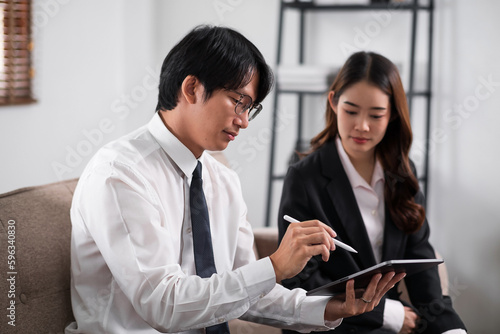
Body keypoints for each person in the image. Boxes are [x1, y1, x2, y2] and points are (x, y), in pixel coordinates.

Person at [65, 27, 404, 334]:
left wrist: (331, 308)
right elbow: (163, 304)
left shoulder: (222, 180)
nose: (243, 122)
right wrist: (273, 266)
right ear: (192, 87)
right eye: (238, 101)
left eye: (250, 108)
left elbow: (251, 293)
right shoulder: (120, 173)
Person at [277, 51, 467, 334]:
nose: (361, 126)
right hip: (329, 326)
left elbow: (420, 265)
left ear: (391, 115)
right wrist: (385, 314)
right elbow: (300, 282)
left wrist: (449, 328)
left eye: (376, 114)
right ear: (333, 102)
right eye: (351, 111)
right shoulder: (305, 177)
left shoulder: (402, 173)